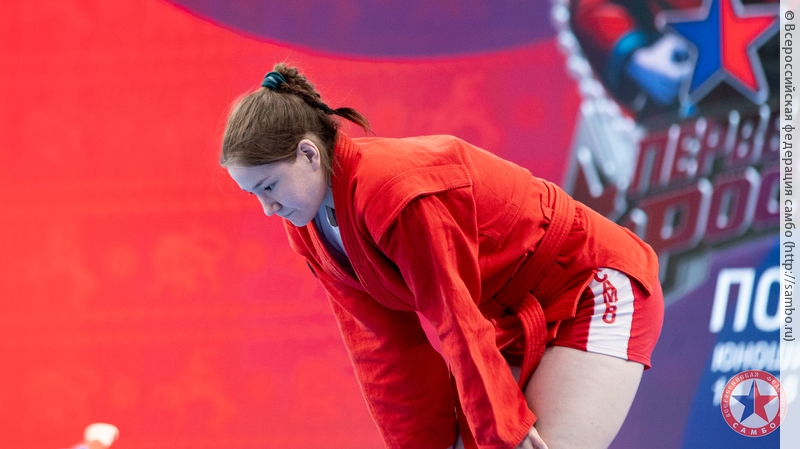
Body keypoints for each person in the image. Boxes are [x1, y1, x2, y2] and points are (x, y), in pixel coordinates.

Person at [221, 64, 664, 449]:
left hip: (593, 281)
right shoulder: (309, 226)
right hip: (508, 314)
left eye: (269, 186)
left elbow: (454, 316)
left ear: (308, 154)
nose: (268, 209)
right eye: (253, 194)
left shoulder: (391, 192)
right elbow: (382, 347)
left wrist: (501, 430)